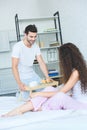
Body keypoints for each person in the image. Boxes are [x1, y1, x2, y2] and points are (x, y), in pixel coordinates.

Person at [2, 42, 87, 117]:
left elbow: (62, 92)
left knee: (60, 96)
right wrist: (42, 93)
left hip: (82, 106)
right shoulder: (75, 70)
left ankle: (41, 108)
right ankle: (19, 110)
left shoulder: (77, 72)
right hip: (75, 101)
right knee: (50, 89)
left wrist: (38, 93)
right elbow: (64, 89)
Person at [11, 24, 52, 100]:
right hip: (22, 77)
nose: (33, 39)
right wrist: (19, 83)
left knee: (46, 94)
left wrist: (47, 77)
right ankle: (19, 93)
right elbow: (14, 66)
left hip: (33, 75)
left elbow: (41, 62)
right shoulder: (18, 47)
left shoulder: (35, 46)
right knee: (27, 100)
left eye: (35, 36)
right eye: (31, 36)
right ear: (25, 35)